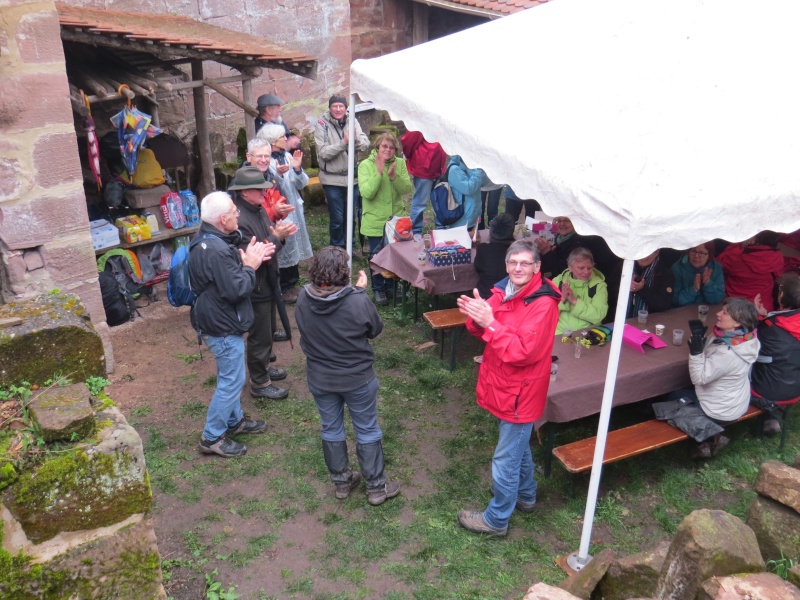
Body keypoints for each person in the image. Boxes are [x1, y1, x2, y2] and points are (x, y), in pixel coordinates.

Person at [456, 240, 561, 536]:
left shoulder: (543, 304)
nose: (518, 268)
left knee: (505, 457)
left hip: (521, 391)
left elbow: (522, 351)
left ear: (537, 267)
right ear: (506, 265)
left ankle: (497, 519)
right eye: (514, 262)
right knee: (517, 446)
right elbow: (481, 327)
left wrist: (489, 323)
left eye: (525, 263)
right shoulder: (505, 290)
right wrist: (478, 317)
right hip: (504, 385)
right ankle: (526, 496)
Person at [294, 246, 401, 505]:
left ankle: (341, 482)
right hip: (357, 379)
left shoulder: (302, 298)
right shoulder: (357, 300)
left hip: (321, 378)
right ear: (343, 272)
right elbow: (374, 329)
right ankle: (376, 488)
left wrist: (357, 294)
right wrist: (359, 294)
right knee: (366, 429)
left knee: (331, 427)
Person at [190, 191, 275, 457]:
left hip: (215, 317)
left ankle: (234, 420)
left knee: (231, 375)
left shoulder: (208, 239)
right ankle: (212, 436)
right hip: (222, 325)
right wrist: (250, 266)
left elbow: (222, 279)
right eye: (233, 212)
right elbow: (236, 290)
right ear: (223, 219)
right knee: (232, 379)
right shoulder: (216, 251)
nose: (238, 214)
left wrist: (240, 261)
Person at [658, 298, 760, 459]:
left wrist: (696, 353)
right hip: (734, 400)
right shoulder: (743, 338)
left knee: (672, 397)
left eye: (725, 313)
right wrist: (701, 338)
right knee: (677, 394)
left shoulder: (729, 353)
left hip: (720, 409)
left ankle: (711, 437)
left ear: (737, 323)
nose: (718, 314)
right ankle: (708, 439)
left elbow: (698, 378)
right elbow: (711, 355)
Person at [229, 166, 298, 401]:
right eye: (260, 188)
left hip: (267, 281)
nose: (264, 192)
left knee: (268, 330)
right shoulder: (241, 219)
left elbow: (270, 240)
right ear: (245, 192)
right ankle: (259, 382)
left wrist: (279, 236)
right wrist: (278, 237)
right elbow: (257, 254)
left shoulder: (257, 209)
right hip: (256, 285)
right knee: (259, 335)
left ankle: (264, 368)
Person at [257, 124, 314, 304]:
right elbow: (273, 187)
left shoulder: (288, 156)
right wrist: (280, 176)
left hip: (293, 208)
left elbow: (301, 183)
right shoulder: (268, 163)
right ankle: (283, 285)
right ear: (273, 141)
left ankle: (293, 282)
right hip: (279, 210)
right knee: (284, 245)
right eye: (282, 137)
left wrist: (297, 169)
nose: (286, 139)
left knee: (294, 244)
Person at [357, 132, 414, 306]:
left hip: (395, 220)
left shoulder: (401, 164)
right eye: (384, 146)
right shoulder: (366, 165)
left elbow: (407, 189)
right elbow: (366, 192)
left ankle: (392, 286)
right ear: (377, 147)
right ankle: (378, 289)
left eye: (391, 147)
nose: (388, 150)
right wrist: (379, 173)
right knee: (377, 256)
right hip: (375, 220)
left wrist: (393, 176)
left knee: (395, 255)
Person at [314, 95, 371, 248]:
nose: (338, 109)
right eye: (335, 106)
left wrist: (355, 141)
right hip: (331, 179)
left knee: (351, 216)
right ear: (330, 108)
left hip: (351, 179)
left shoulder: (352, 120)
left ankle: (350, 247)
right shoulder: (322, 124)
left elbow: (365, 143)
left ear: (346, 107)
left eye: (341, 106)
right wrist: (344, 143)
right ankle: (336, 249)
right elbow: (323, 153)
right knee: (337, 218)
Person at [751, 273, 800, 434]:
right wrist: (765, 316)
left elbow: (750, 346)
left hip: (766, 391)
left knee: (738, 363)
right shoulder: (777, 324)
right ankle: (772, 416)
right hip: (795, 388)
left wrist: (759, 317)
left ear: (781, 296)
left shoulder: (771, 327)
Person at [718, 231, 784, 313]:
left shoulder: (736, 255)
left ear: (754, 239)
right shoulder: (778, 257)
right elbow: (777, 275)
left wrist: (738, 243)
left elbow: (719, 263)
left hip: (734, 309)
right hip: (762, 310)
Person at [551, 247, 609, 335]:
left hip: (589, 334)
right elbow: (546, 314)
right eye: (581, 268)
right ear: (570, 267)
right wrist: (562, 299)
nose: (586, 272)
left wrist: (574, 301)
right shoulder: (557, 282)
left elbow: (598, 316)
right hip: (559, 334)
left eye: (589, 268)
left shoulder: (599, 285)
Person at [400, 130, 447, 235]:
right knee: (420, 202)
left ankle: (441, 230)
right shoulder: (423, 116)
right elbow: (409, 140)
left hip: (438, 166)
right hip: (423, 167)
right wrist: (408, 156)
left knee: (439, 200)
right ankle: (415, 232)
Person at [627, 248, 681, 318]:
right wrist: (625, 286)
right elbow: (612, 296)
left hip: (649, 322)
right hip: (621, 321)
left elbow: (663, 304)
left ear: (657, 252)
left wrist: (642, 289)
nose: (644, 256)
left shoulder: (664, 273)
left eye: (648, 252)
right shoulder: (624, 267)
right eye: (641, 251)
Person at [474, 213, 516, 299]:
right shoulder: (517, 253)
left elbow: (478, 268)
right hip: (508, 295)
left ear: (491, 231)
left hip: (484, 295)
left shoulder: (482, 249)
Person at [672, 242, 725, 307]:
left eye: (701, 253)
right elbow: (676, 301)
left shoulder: (716, 268)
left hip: (707, 311)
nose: (696, 256)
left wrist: (708, 284)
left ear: (709, 255)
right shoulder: (678, 268)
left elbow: (717, 300)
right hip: (683, 311)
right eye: (693, 251)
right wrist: (693, 289)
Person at [443, 155, 486, 231]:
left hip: (473, 217)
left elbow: (484, 183)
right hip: (462, 221)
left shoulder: (469, 165)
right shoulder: (454, 169)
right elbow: (468, 189)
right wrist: (479, 172)